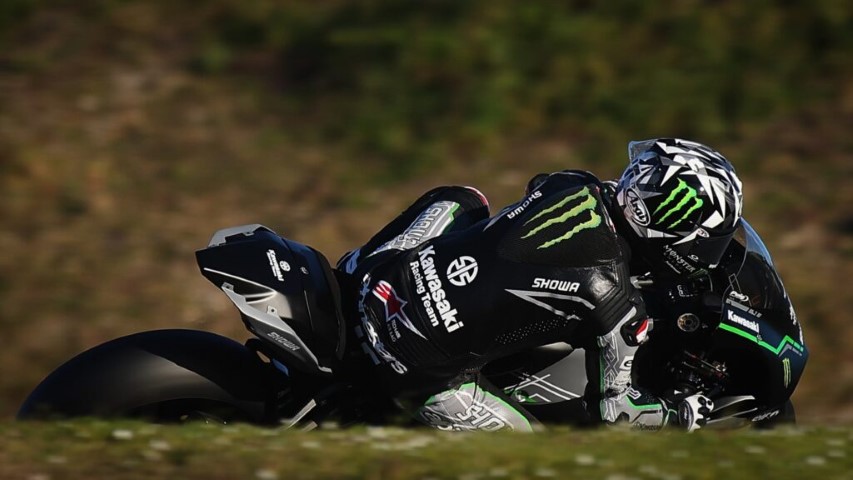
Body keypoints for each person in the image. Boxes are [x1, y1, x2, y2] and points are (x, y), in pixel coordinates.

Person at [335, 138, 807, 431]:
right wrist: (680, 412)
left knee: (462, 199)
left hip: (381, 280)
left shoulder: (571, 182)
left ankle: (349, 271)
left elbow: (546, 192)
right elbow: (615, 414)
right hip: (415, 365)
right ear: (683, 234)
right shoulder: (616, 303)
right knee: (533, 455)